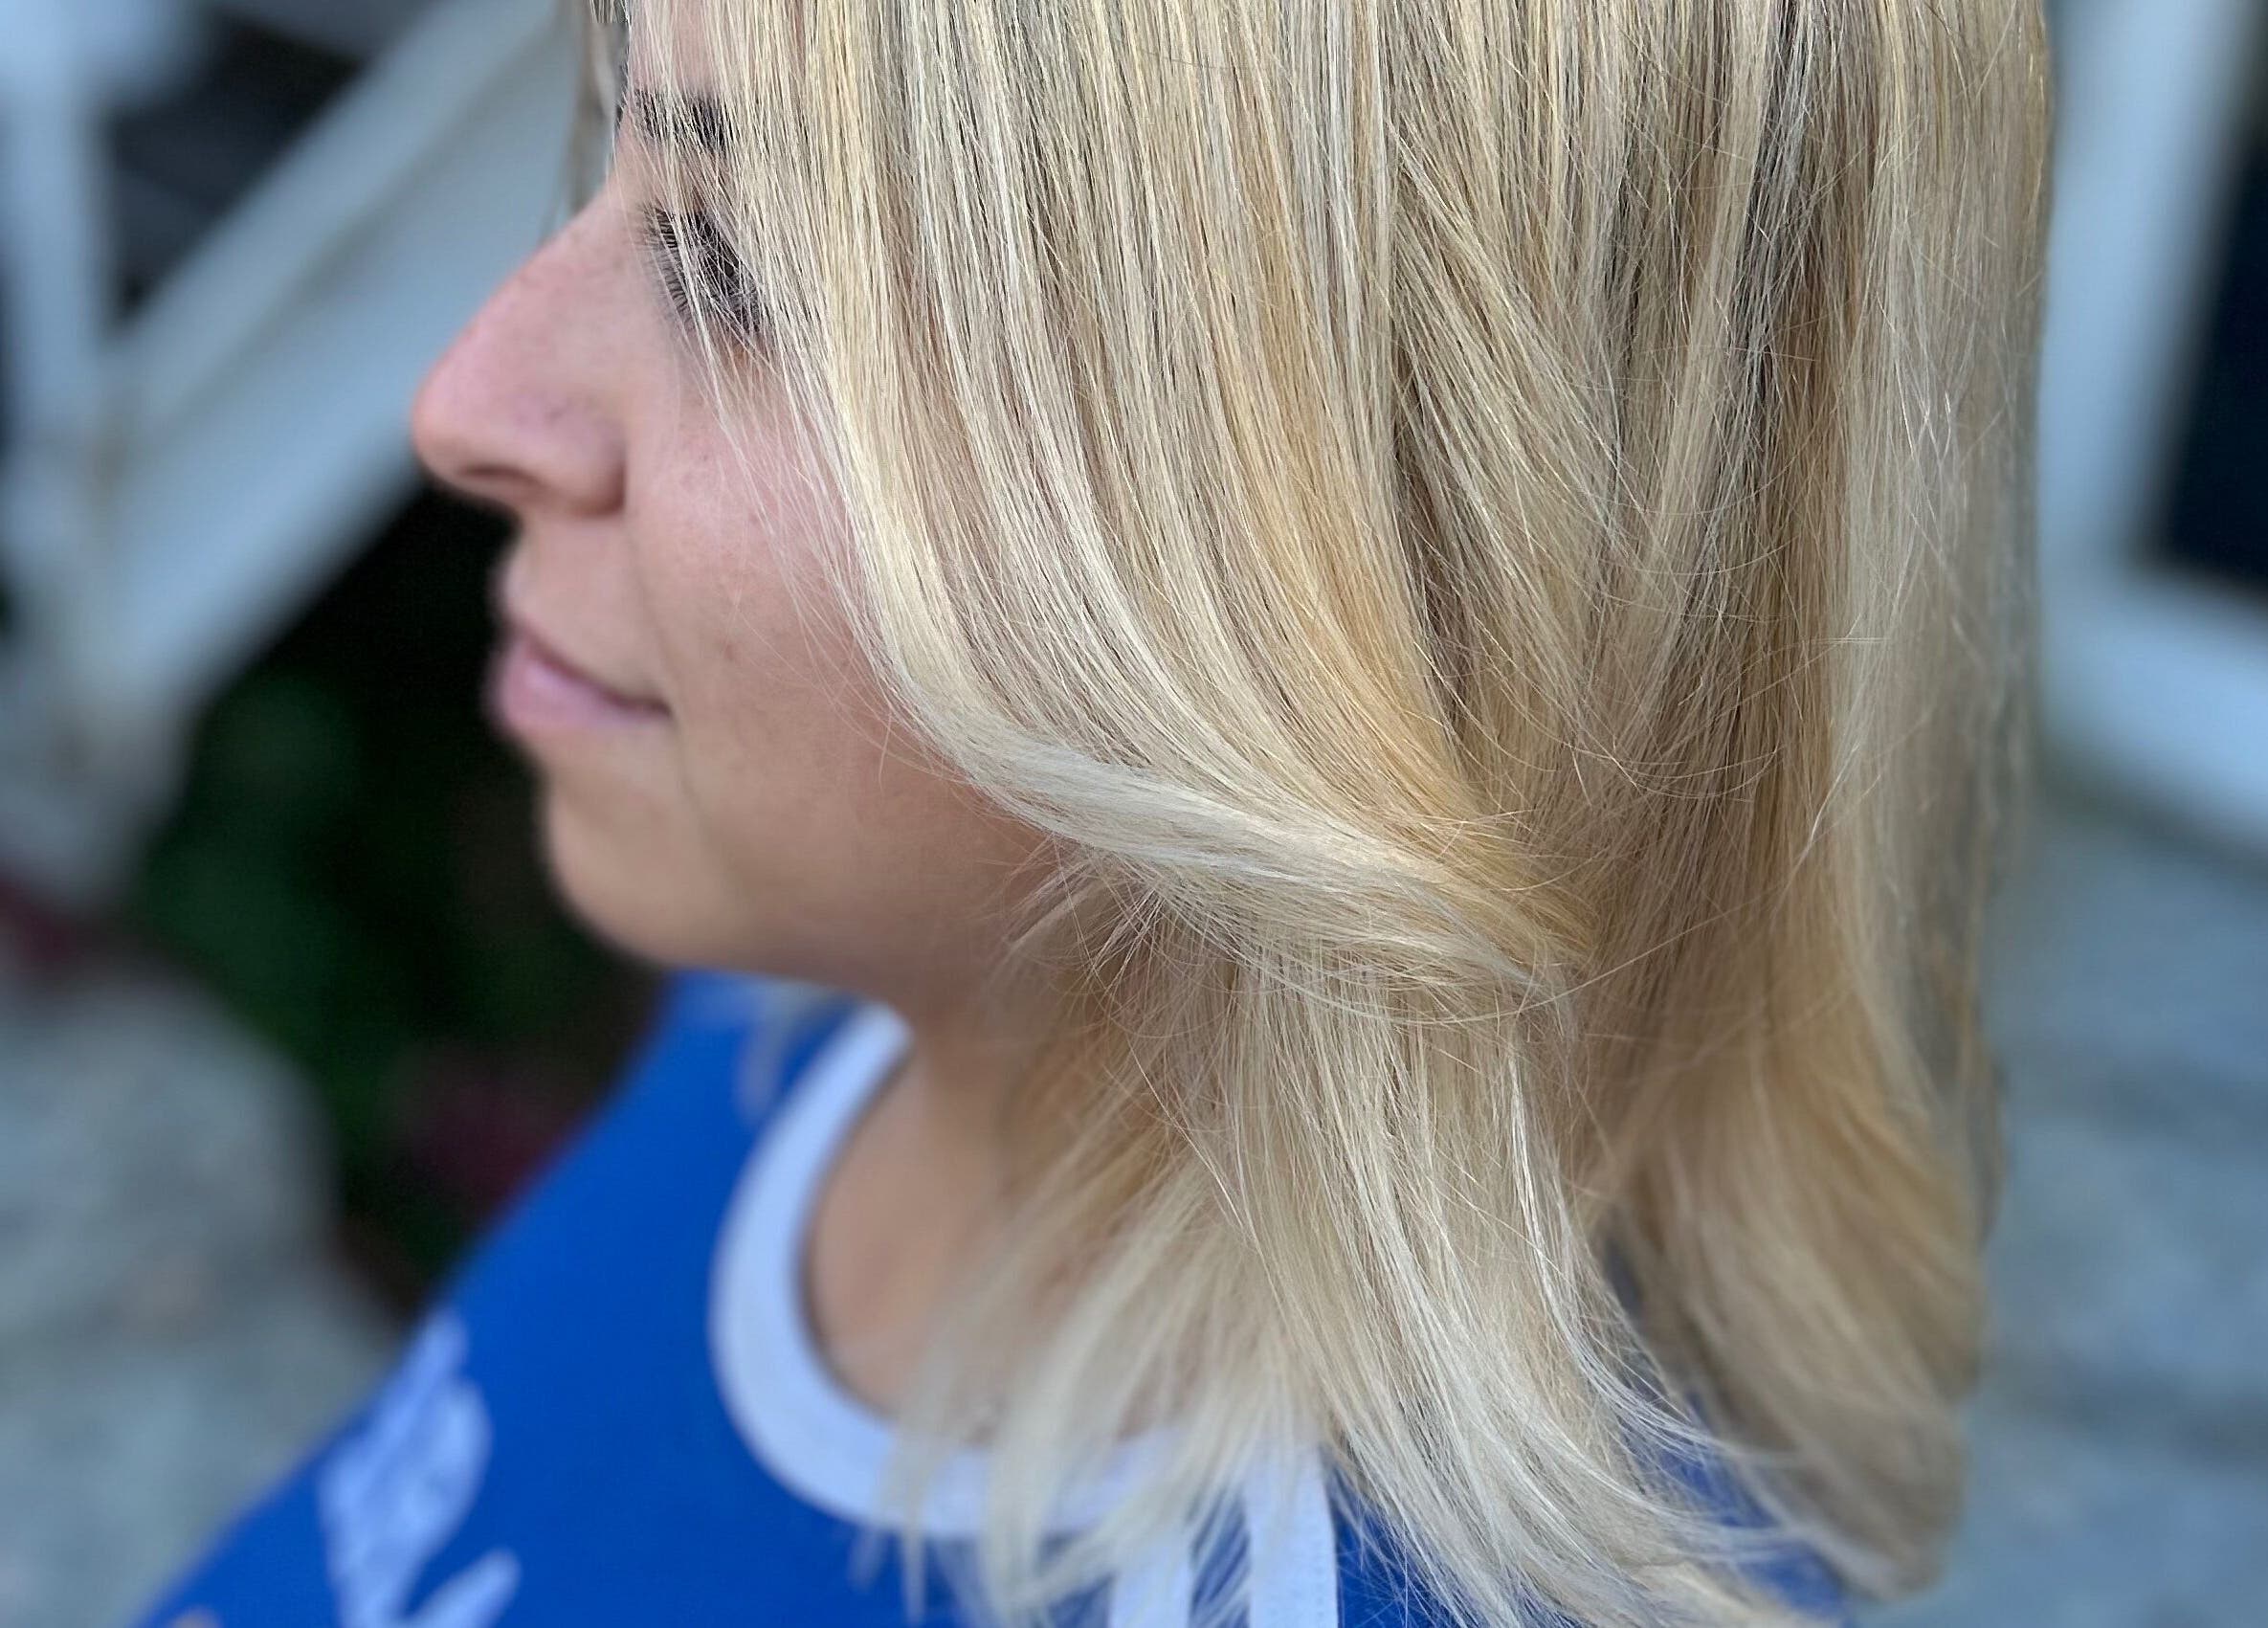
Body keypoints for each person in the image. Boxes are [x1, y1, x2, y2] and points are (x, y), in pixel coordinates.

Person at [131, 1, 2051, 1624]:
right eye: (610, 157)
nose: (471, 400)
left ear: (1399, 569)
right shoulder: (815, 1015)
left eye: (745, 272)